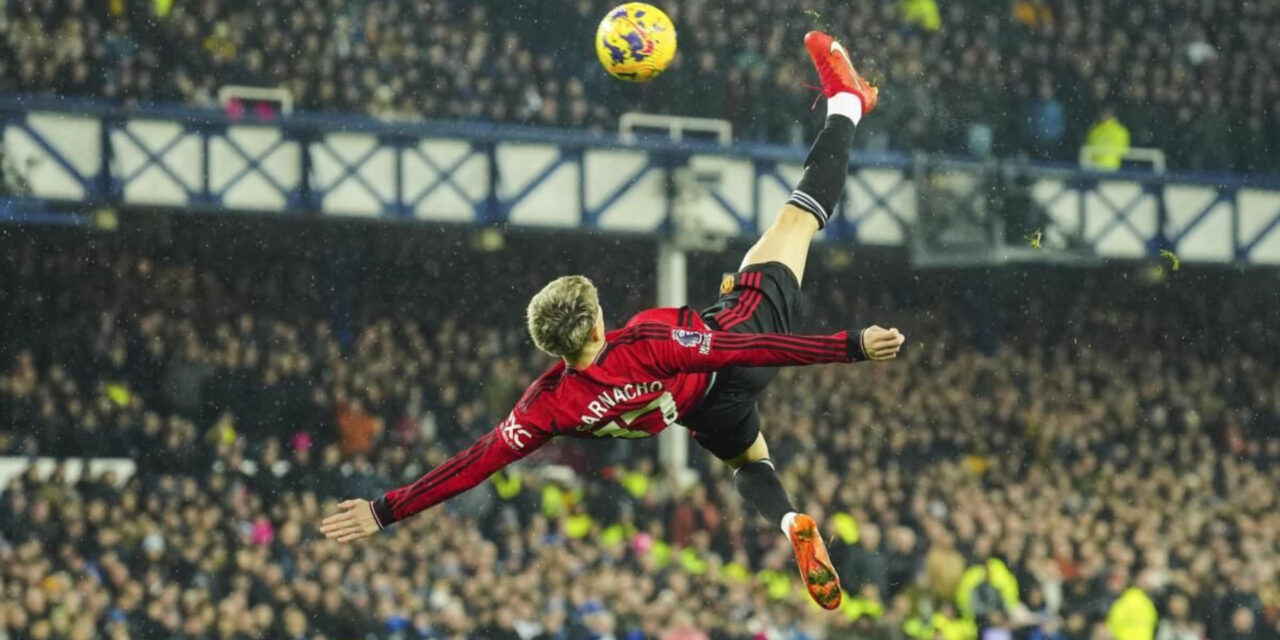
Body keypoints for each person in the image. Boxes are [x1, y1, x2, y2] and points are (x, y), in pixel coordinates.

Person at [320, 30, 904, 611]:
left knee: (750, 461)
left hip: (702, 412)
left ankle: (788, 520)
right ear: (598, 325)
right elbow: (738, 352)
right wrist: (850, 345)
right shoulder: (646, 340)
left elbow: (472, 465)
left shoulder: (547, 405)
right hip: (735, 345)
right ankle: (846, 102)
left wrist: (384, 510)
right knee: (796, 221)